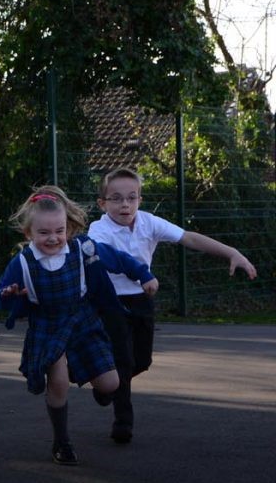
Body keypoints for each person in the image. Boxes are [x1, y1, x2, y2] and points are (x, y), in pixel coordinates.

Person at [88, 167, 257, 444]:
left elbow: (188, 237)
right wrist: (141, 274)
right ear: (102, 203)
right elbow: (110, 257)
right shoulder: (99, 230)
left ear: (140, 200)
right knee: (123, 360)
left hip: (142, 299)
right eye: (116, 198)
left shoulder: (148, 222)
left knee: (142, 361)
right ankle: (123, 423)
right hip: (111, 301)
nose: (125, 204)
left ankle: (108, 385)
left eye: (131, 197)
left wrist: (231, 252)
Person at [0, 185, 157, 466]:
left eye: (59, 231)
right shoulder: (22, 262)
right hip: (48, 325)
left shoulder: (83, 248)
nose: (53, 238)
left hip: (83, 320)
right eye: (44, 233)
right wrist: (8, 296)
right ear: (28, 233)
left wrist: (144, 274)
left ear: (67, 228)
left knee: (111, 383)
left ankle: (95, 383)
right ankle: (62, 442)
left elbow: (119, 259)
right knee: (58, 383)